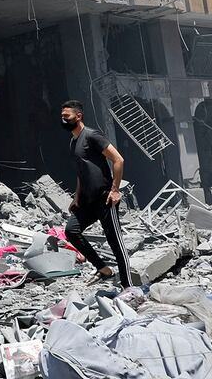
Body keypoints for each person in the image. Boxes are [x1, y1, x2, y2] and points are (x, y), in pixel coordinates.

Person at [59, 100, 132, 287]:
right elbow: (81, 171)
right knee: (71, 231)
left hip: (104, 198)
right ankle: (103, 269)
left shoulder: (92, 136)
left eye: (66, 117)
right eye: (62, 117)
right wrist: (76, 196)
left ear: (78, 116)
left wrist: (115, 190)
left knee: (116, 243)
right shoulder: (72, 142)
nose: (63, 120)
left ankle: (128, 287)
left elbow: (118, 159)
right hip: (86, 200)